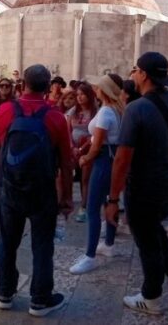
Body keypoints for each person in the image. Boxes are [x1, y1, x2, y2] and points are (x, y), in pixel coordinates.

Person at [105, 52, 168, 314]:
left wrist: (112, 199)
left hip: (144, 184)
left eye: (135, 70)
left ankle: (151, 297)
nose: (133, 74)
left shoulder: (137, 108)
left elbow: (122, 158)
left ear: (143, 74)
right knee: (153, 230)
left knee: (146, 240)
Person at [0, 64, 73, 317]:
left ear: (22, 84)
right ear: (48, 87)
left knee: (8, 242)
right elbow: (66, 163)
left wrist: (7, 175)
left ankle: (4, 292)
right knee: (43, 245)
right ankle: (40, 299)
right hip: (42, 191)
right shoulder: (56, 117)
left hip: (12, 190)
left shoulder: (4, 111)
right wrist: (66, 197)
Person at [69, 74, 124, 274]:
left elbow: (97, 142)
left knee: (92, 209)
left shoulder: (106, 113)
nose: (96, 90)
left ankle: (90, 255)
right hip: (113, 161)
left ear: (104, 90)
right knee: (109, 202)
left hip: (102, 162)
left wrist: (85, 158)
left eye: (99, 87)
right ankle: (108, 244)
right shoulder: (117, 110)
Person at [67, 82, 97, 222]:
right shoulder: (73, 111)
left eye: (82, 94)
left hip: (87, 148)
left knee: (85, 179)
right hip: (73, 148)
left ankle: (84, 207)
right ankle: (65, 202)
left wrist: (82, 147)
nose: (79, 98)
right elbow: (67, 130)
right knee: (65, 175)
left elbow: (96, 133)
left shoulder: (95, 112)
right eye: (77, 95)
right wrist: (72, 147)